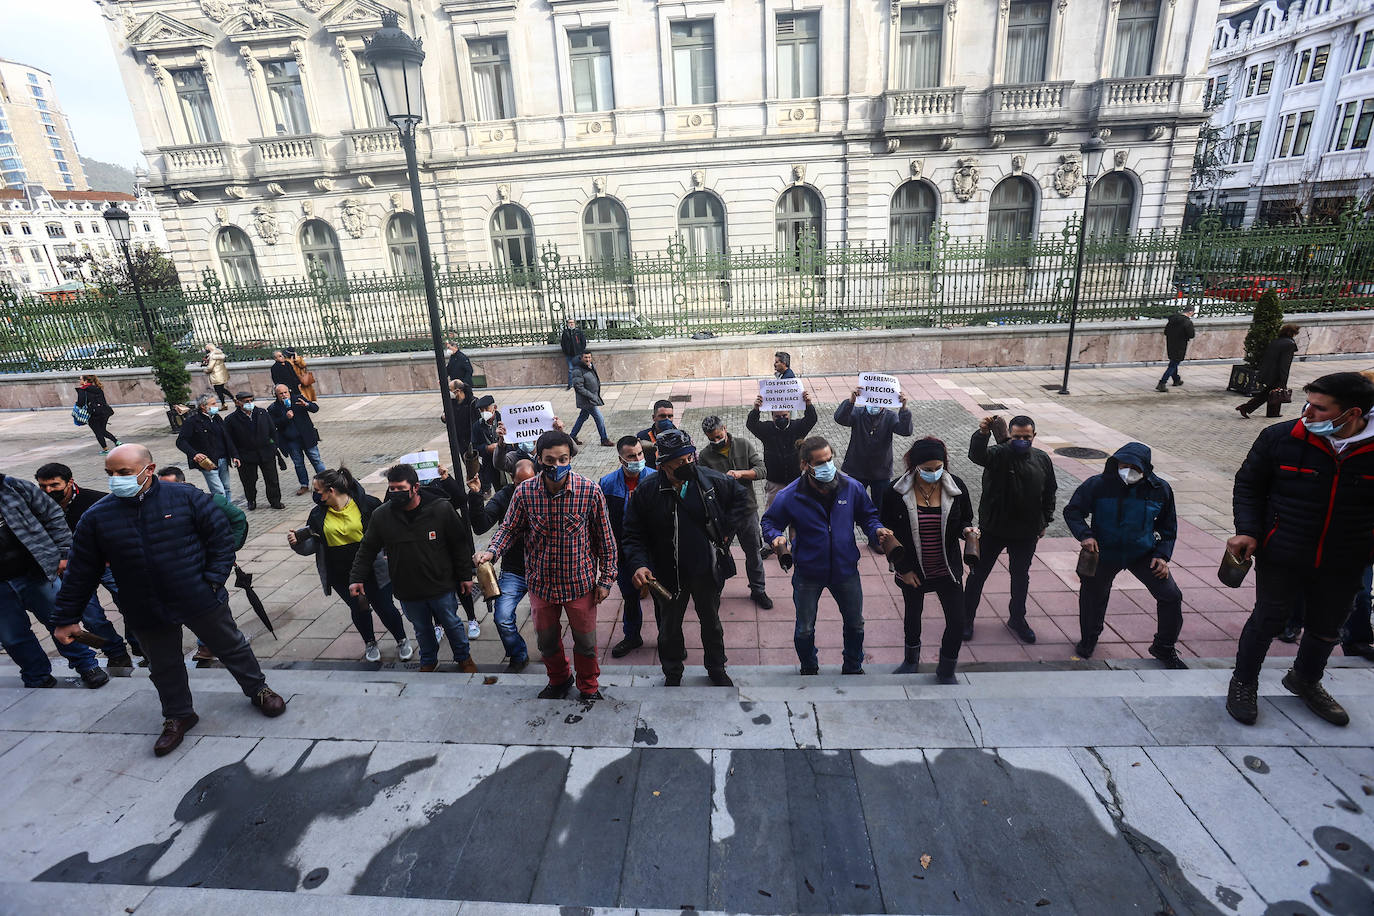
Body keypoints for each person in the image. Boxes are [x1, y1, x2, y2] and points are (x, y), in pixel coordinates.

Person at [53, 445, 285, 757]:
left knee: (231, 645)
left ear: (149, 469)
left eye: (123, 473)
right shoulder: (97, 517)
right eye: (110, 474)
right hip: (144, 604)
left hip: (198, 596)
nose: (115, 480)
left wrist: (212, 581)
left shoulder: (186, 497)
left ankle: (258, 689)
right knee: (163, 665)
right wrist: (66, 617)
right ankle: (178, 714)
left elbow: (220, 539)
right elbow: (81, 571)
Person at [1226, 372, 1374, 728]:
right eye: (1307, 403)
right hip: (1284, 551)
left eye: (1320, 408)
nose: (1307, 413)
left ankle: (1306, 679)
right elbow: (1248, 485)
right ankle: (1244, 681)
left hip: (1346, 558)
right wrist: (1247, 530)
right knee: (1267, 620)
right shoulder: (1280, 437)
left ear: (1352, 413)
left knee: (1327, 626)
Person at [477, 430, 617, 702]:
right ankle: (559, 680)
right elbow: (509, 528)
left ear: (571, 458)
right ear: (539, 459)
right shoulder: (524, 493)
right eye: (550, 460)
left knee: (586, 644)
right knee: (547, 643)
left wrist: (606, 580)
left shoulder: (589, 491)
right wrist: (492, 552)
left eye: (563, 459)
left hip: (580, 585)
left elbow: (606, 540)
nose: (557, 466)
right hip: (541, 585)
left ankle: (588, 686)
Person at [623, 428, 747, 687]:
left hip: (707, 570)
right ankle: (672, 672)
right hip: (666, 576)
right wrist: (639, 564)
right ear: (664, 464)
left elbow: (742, 499)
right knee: (668, 629)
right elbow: (633, 534)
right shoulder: (646, 492)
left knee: (711, 624)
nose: (688, 464)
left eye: (690, 457)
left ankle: (716, 668)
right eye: (680, 461)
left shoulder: (711, 481)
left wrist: (724, 533)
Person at [761, 436, 893, 675]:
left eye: (830, 459)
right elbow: (769, 521)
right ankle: (809, 667)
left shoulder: (851, 487)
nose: (827, 466)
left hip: (846, 570)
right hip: (808, 573)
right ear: (805, 465)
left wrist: (877, 530)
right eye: (820, 463)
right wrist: (774, 537)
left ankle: (853, 666)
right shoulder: (790, 495)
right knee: (804, 628)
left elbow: (868, 516)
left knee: (855, 624)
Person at [1063, 443, 1185, 668]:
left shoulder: (1160, 489)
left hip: (1143, 552)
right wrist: (1085, 535)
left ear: (1145, 468)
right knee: (1092, 596)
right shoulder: (1098, 485)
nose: (1127, 470)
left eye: (1133, 467)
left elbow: (1168, 527)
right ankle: (1089, 638)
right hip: (1104, 551)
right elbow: (1073, 511)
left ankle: (1164, 645)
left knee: (1171, 596)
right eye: (1123, 465)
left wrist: (1163, 555)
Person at [349, 463, 477, 673]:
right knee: (421, 629)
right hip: (407, 588)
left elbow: (459, 544)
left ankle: (464, 657)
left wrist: (465, 575)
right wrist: (357, 577)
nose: (395, 493)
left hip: (440, 585)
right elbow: (367, 548)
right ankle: (428, 660)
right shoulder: (382, 516)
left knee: (452, 624)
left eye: (401, 488)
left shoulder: (441, 509)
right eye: (392, 488)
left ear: (415, 487)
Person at [289, 468, 413, 663]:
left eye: (317, 490)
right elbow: (313, 544)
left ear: (331, 490)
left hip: (373, 568)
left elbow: (389, 531)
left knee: (384, 607)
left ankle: (401, 639)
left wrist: (392, 554)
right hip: (340, 573)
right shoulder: (317, 515)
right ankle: (370, 642)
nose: (315, 495)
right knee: (359, 608)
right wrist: (297, 543)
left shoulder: (368, 504)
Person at [0, 470, 108, 689]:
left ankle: (87, 665)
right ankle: (36, 674)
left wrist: (63, 552)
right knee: (12, 636)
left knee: (63, 620)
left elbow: (52, 516)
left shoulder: (14, 488)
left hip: (37, 572)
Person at [879, 438, 975, 683]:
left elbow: (965, 518)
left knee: (957, 620)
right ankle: (911, 660)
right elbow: (887, 533)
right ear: (914, 467)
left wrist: (967, 531)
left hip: (947, 568)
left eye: (938, 467)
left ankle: (946, 668)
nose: (934, 474)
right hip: (912, 569)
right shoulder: (895, 491)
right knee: (913, 616)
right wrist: (903, 569)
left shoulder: (957, 487)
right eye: (928, 469)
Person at [962, 414, 1057, 644]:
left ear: (1034, 436)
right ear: (1010, 435)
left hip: (1026, 532)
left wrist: (1045, 520)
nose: (1022, 440)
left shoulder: (1042, 459)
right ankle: (965, 620)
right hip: (993, 528)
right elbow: (977, 455)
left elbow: (1050, 491)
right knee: (977, 576)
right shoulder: (998, 454)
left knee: (1020, 577)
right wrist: (983, 434)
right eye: (1017, 436)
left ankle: (1017, 619)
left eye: (1026, 436)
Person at [34, 462, 137, 667]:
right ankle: (115, 651)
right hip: (74, 571)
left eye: (54, 485)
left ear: (70, 482)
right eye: (43, 486)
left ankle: (139, 645)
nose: (48, 491)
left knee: (132, 606)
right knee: (91, 618)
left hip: (109, 565)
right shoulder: (37, 507)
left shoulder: (97, 500)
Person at [156, 465, 249, 664]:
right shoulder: (156, 506)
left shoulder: (209, 500)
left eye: (169, 485)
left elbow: (239, 519)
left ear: (182, 483)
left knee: (212, 608)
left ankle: (215, 646)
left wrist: (228, 548)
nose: (163, 491)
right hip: (177, 570)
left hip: (207, 566)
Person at [466, 453, 534, 672]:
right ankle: (518, 654)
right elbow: (481, 525)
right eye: (519, 484)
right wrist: (476, 496)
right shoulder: (505, 497)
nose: (524, 489)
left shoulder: (546, 495)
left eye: (530, 483)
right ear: (511, 480)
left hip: (544, 569)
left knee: (546, 625)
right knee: (503, 617)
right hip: (514, 570)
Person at [697, 415, 771, 608]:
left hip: (747, 511)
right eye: (711, 438)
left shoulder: (743, 444)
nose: (716, 441)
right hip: (721, 515)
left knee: (753, 553)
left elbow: (762, 470)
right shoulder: (705, 456)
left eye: (718, 436)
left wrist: (740, 473)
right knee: (717, 556)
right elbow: (702, 484)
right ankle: (715, 592)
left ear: (725, 428)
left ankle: (758, 590)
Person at [599, 436, 658, 658]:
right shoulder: (606, 483)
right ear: (621, 459)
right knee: (630, 597)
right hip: (623, 553)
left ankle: (667, 637)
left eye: (640, 454)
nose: (637, 459)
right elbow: (601, 521)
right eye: (631, 456)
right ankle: (632, 636)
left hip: (654, 551)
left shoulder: (656, 479)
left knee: (661, 599)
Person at [833, 385, 913, 528]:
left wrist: (904, 409)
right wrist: (851, 401)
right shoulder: (858, 413)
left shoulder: (890, 416)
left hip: (880, 471)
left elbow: (905, 431)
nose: (875, 406)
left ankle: (876, 537)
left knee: (880, 507)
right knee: (849, 505)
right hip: (856, 469)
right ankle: (846, 535)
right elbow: (840, 418)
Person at [747, 389, 818, 511]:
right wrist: (756, 409)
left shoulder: (798, 427)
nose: (782, 418)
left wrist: (808, 404)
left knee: (796, 517)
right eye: (777, 416)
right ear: (772, 416)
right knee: (773, 515)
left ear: (789, 414)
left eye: (785, 415)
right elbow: (751, 424)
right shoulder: (766, 429)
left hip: (795, 481)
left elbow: (811, 419)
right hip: (774, 483)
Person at [225, 391, 284, 510]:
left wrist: (273, 446)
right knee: (249, 481)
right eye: (246, 401)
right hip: (246, 455)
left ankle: (275, 501)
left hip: (266, 452)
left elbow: (273, 431)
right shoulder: (231, 419)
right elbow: (229, 440)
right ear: (238, 403)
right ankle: (251, 500)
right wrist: (235, 455)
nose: (250, 403)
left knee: (272, 479)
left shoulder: (262, 413)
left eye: (251, 400)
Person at [175, 393, 239, 499]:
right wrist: (194, 454)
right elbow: (181, 442)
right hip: (207, 461)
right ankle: (221, 513)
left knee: (226, 487)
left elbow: (226, 438)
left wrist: (234, 455)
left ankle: (228, 511)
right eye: (213, 403)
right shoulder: (192, 421)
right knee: (218, 491)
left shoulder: (217, 418)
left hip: (223, 459)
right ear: (203, 406)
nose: (216, 406)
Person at [269, 383, 326, 495]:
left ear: (289, 391)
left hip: (307, 437)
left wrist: (306, 405)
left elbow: (315, 408)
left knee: (316, 459)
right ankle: (304, 485)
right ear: (276, 395)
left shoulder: (298, 399)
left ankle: (326, 482)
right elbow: (273, 424)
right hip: (291, 440)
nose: (284, 395)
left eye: (285, 392)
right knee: (298, 463)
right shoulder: (274, 408)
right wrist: (286, 418)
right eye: (281, 393)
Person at [1237, 324, 1300, 419]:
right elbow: (1284, 364)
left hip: (1269, 371)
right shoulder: (1289, 344)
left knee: (1269, 393)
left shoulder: (1276, 341)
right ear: (1292, 333)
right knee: (1273, 393)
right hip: (1277, 373)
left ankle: (1269, 412)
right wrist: (1284, 379)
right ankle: (1247, 408)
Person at [569, 351, 614, 447]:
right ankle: (604, 439)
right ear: (581, 358)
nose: (588, 359)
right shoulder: (578, 370)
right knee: (599, 418)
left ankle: (572, 436)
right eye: (586, 357)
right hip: (587, 400)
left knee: (582, 417)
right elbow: (578, 387)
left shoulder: (590, 366)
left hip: (591, 398)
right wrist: (592, 396)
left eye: (589, 357)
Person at [75, 375, 120, 454]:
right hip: (104, 412)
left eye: (80, 379)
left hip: (92, 414)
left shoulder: (83, 390)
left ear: (85, 381)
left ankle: (106, 449)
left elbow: (80, 403)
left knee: (98, 432)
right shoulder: (98, 388)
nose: (79, 381)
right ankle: (117, 442)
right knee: (102, 430)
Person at [471, 394, 506, 494]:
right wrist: (487, 448)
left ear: (494, 408)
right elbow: (475, 447)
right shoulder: (477, 426)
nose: (484, 412)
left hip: (506, 460)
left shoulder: (504, 420)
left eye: (486, 409)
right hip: (491, 465)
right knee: (499, 489)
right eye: (481, 410)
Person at [1155, 304, 1195, 392]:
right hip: (1180, 345)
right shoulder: (1187, 322)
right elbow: (1191, 335)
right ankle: (1162, 383)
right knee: (1173, 364)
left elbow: (1166, 332)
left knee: (1173, 361)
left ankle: (1176, 379)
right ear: (1190, 312)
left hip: (1171, 343)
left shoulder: (1172, 320)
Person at [636, 400, 677, 469]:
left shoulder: (681, 438)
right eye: (662, 416)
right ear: (653, 417)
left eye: (670, 416)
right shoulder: (643, 437)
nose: (667, 419)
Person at [559, 318, 587, 389]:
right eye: (569, 323)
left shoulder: (578, 332)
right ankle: (570, 384)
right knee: (571, 369)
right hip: (569, 354)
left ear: (575, 323)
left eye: (572, 322)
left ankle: (580, 384)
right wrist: (565, 351)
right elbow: (563, 343)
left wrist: (581, 351)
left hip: (577, 354)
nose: (571, 324)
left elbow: (583, 342)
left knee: (579, 369)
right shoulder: (565, 333)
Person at [203, 343, 232, 407]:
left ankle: (224, 404)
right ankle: (233, 399)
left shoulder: (213, 356)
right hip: (222, 374)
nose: (206, 350)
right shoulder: (219, 354)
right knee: (221, 389)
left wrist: (205, 370)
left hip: (216, 375)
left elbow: (210, 367)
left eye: (206, 349)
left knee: (219, 390)